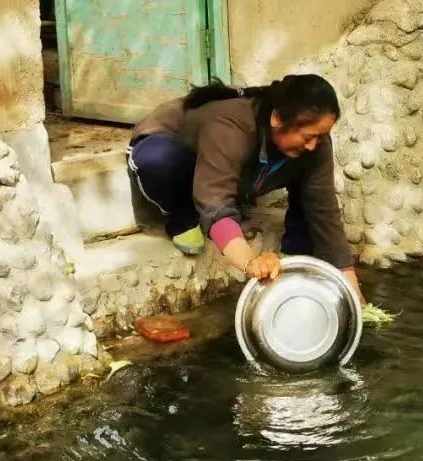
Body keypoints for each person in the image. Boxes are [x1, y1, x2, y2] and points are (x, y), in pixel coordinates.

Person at [127, 74, 365, 304]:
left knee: (308, 193)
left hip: (219, 169)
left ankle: (296, 260)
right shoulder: (230, 125)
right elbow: (216, 206)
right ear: (277, 119)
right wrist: (250, 262)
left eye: (320, 137)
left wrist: (353, 292)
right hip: (171, 153)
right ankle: (182, 213)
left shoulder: (315, 143)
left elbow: (323, 210)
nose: (314, 145)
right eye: (308, 137)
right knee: (159, 161)